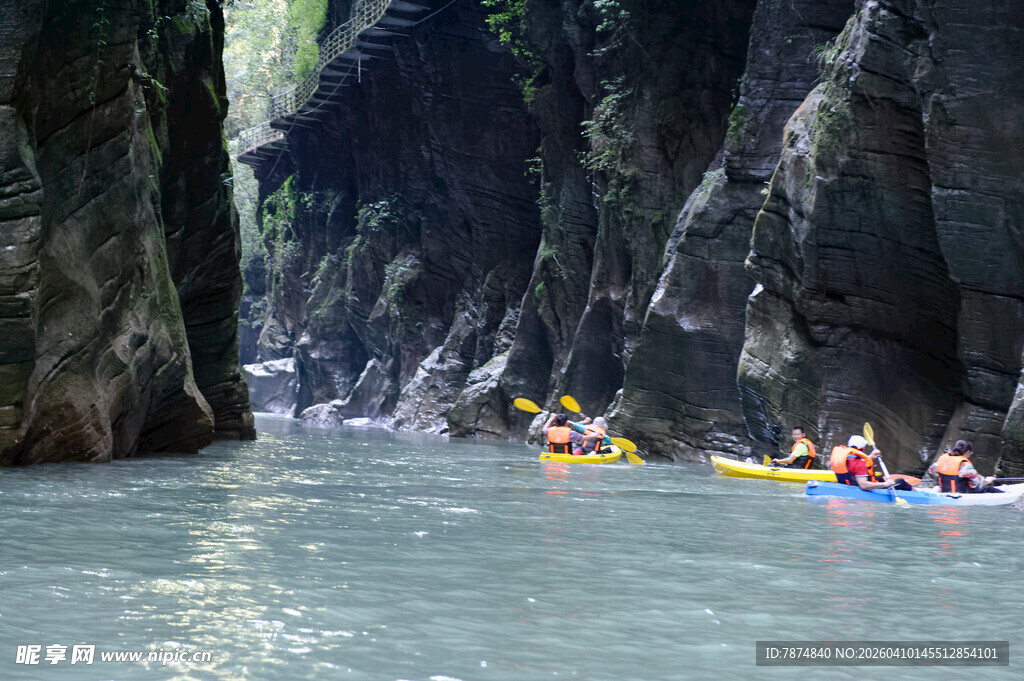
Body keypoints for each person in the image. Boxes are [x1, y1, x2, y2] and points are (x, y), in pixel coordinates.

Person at [927, 440, 1002, 493]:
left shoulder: (942, 460)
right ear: (967, 452)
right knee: (989, 489)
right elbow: (980, 483)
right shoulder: (965, 465)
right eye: (970, 452)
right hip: (962, 494)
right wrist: (989, 479)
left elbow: (931, 471)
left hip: (945, 491)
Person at [829, 435, 898, 491]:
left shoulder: (846, 457)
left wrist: (870, 457)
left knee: (881, 478)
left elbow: (854, 466)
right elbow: (863, 485)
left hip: (849, 484)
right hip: (860, 488)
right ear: (862, 448)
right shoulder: (859, 463)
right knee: (901, 482)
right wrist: (885, 484)